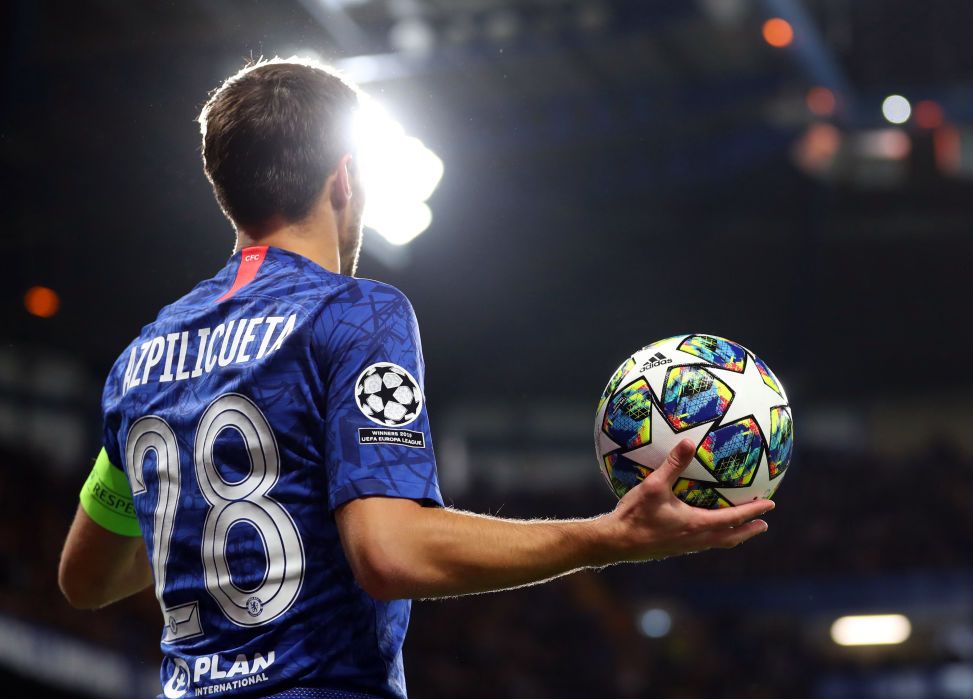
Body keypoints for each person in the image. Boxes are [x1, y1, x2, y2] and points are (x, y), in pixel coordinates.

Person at [58, 57, 774, 699]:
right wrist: (605, 536)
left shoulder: (143, 358)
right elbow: (390, 551)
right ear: (345, 177)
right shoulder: (354, 312)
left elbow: (84, 578)